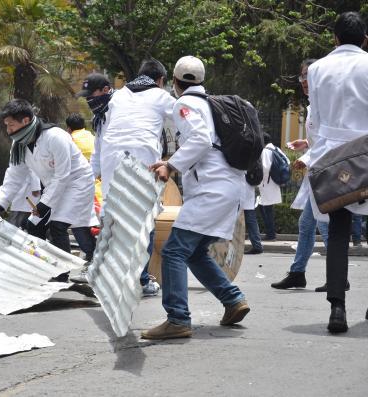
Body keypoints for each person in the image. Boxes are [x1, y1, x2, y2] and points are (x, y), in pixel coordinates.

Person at [142, 56, 249, 340]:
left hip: (211, 190)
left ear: (174, 82)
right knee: (196, 252)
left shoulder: (184, 104)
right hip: (227, 188)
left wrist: (170, 165)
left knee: (174, 250)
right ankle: (233, 300)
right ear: (201, 80)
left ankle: (177, 318)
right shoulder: (211, 103)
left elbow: (200, 140)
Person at [0, 99, 95, 282]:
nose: (8, 130)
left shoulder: (55, 137)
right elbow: (14, 176)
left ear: (26, 121)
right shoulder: (18, 145)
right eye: (7, 126)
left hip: (76, 184)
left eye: (11, 125)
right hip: (54, 187)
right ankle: (41, 267)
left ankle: (61, 274)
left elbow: (63, 175)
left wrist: (44, 204)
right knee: (33, 225)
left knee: (57, 226)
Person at [306, 11, 368, 332]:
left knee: (338, 233)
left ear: (335, 38)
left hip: (333, 156)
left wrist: (318, 154)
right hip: (367, 153)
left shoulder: (316, 69)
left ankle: (337, 309)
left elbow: (313, 120)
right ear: (365, 39)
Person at [94, 59, 176, 297]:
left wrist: (98, 167)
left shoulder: (117, 96)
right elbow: (185, 119)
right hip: (142, 160)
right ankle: (141, 280)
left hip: (112, 161)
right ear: (160, 80)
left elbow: (101, 131)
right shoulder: (160, 97)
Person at [271, 58, 331, 291]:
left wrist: (305, 158)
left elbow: (329, 141)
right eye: (302, 76)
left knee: (324, 226)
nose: (304, 81)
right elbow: (319, 138)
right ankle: (298, 273)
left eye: (308, 75)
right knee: (307, 223)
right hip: (318, 171)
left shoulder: (324, 104)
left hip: (325, 171)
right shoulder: (313, 105)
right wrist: (306, 143)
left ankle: (338, 276)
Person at [64, 113, 98, 267]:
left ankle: (92, 254)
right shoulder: (93, 137)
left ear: (69, 128)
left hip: (82, 188)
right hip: (100, 187)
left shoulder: (70, 140)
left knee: (78, 224)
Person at [257, 133, 288, 241]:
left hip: (267, 183)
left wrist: (260, 181)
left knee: (267, 209)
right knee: (265, 208)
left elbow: (265, 167)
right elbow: (287, 162)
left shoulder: (266, 151)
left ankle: (271, 234)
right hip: (273, 183)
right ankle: (270, 233)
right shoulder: (276, 149)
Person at [243, 176, 263, 255]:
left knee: (250, 220)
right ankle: (257, 245)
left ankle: (257, 245)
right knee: (251, 220)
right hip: (248, 190)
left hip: (243, 189)